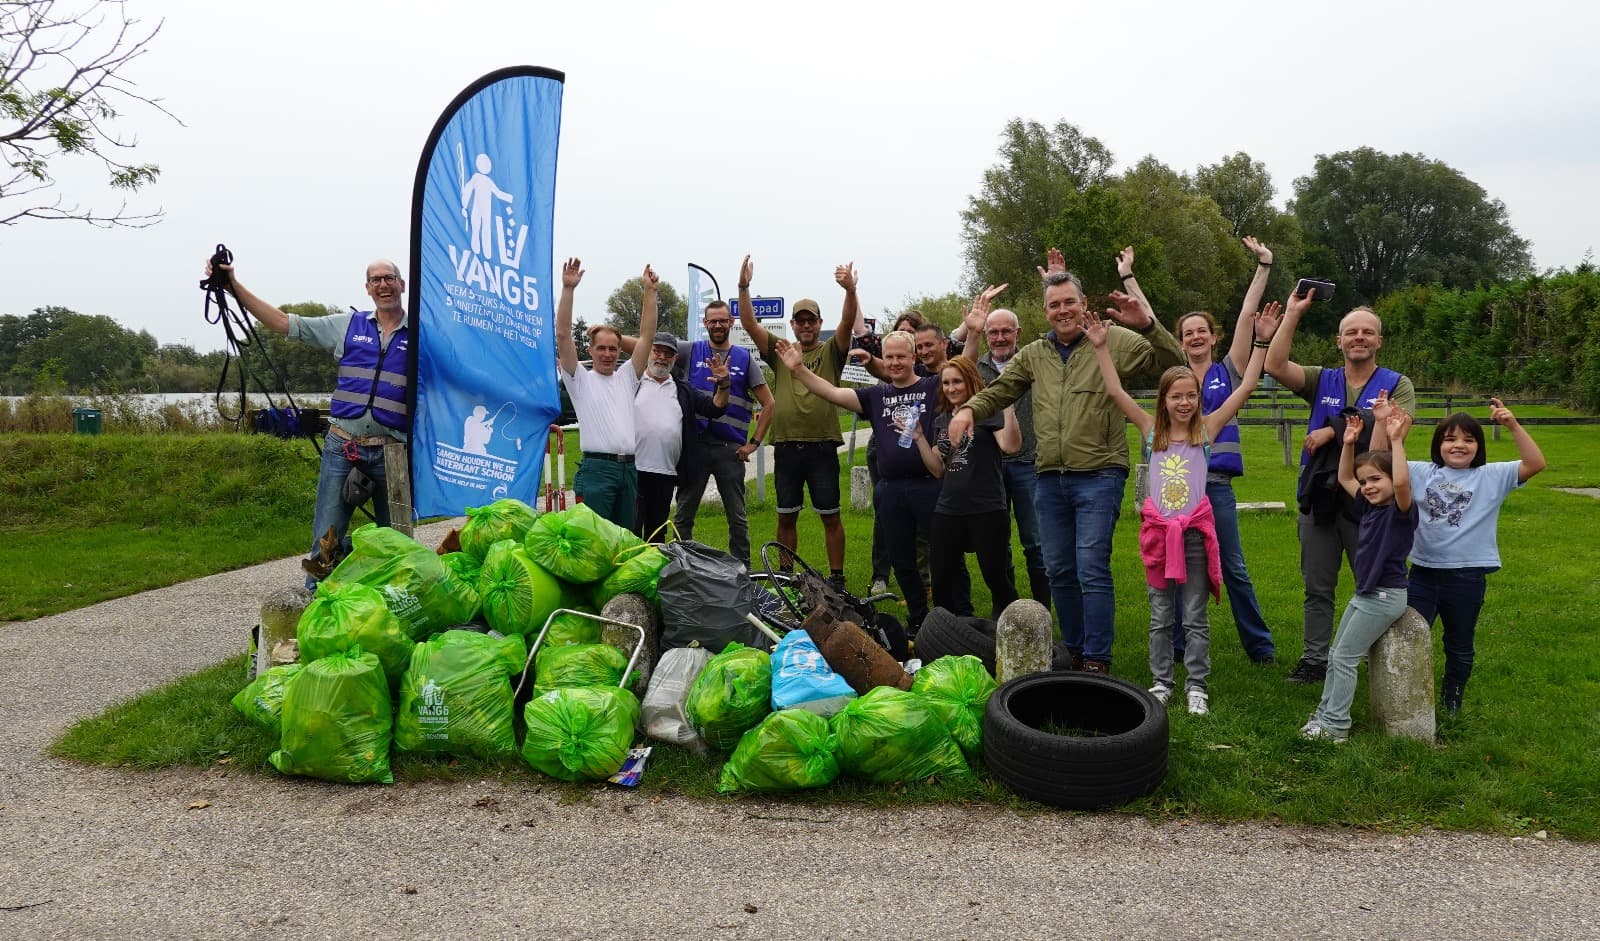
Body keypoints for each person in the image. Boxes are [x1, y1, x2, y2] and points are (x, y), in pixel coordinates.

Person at [948, 248, 1183, 674]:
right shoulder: (1035, 354)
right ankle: (1072, 651)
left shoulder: (1113, 339)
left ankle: (1096, 659)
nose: (1062, 310)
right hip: (1049, 477)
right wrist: (967, 409)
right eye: (1054, 304)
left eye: (1069, 302)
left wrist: (1148, 326)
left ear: (1083, 303)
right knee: (1058, 569)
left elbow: (1174, 365)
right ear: (1045, 311)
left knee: (1091, 568)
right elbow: (1001, 390)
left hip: (1099, 473)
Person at [1087, 302, 1277, 715]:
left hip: (1193, 537)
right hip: (1159, 538)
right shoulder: (1150, 430)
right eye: (1177, 396)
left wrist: (1262, 341)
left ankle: (1196, 685)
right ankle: (1161, 681)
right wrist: (1101, 347)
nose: (1185, 402)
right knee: (1160, 616)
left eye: (1191, 395)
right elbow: (1116, 391)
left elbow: (1246, 386)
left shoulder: (1206, 430)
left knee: (1194, 616)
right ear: (1164, 400)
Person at [207, 256, 410, 588]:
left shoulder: (421, 333)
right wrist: (232, 286)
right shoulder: (348, 325)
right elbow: (284, 323)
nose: (383, 285)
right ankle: (314, 602)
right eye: (375, 280)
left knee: (398, 545)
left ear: (401, 284)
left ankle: (397, 605)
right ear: (367, 288)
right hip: (343, 447)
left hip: (393, 454)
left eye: (389, 278)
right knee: (326, 541)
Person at [1266, 290, 1415, 683]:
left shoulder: (1398, 384)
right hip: (1319, 495)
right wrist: (1293, 314)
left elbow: (1389, 440)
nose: (1359, 337)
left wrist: (1332, 431)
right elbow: (1275, 365)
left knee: (1374, 584)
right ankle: (1314, 660)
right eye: (1351, 332)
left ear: (1379, 340)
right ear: (1339, 341)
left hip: (1368, 499)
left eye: (1367, 332)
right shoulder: (1323, 379)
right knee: (1317, 586)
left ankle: (1370, 657)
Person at [1373, 396, 1546, 714]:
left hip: (1467, 576)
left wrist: (1512, 425)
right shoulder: (1421, 472)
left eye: (1468, 439)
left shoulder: (1492, 476)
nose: (1459, 445)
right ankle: (1408, 692)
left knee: (1459, 643)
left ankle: (1452, 697)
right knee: (1407, 633)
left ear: (1479, 446)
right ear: (1438, 444)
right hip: (1423, 573)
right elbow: (1378, 462)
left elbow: (1535, 464)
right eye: (1450, 439)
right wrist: (1384, 423)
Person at [777, 330, 939, 631]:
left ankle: (949, 614)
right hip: (890, 489)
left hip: (928, 484)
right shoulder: (876, 396)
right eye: (889, 357)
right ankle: (919, 618)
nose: (895, 362)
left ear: (913, 358)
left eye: (901, 356)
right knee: (901, 558)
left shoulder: (931, 386)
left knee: (942, 553)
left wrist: (973, 332)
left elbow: (965, 369)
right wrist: (798, 369)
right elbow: (830, 392)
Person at [1169, 236, 1281, 664]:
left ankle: (1260, 647)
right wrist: (1129, 277)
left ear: (1213, 337)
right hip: (1180, 486)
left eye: (1202, 330)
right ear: (1181, 342)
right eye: (1188, 333)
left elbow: (1248, 315)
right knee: (1177, 566)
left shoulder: (1229, 370)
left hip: (1216, 485)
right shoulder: (1175, 379)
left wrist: (1263, 266)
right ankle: (1177, 645)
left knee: (1233, 567)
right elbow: (1150, 323)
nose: (1195, 336)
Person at [619, 300, 775, 567]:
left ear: (731, 322)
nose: (718, 325)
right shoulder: (690, 350)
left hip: (730, 449)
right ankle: (682, 567)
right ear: (705, 323)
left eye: (723, 320)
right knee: (683, 515)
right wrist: (613, 337)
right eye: (713, 321)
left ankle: (743, 570)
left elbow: (769, 403)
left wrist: (754, 443)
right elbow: (647, 347)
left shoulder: (744, 358)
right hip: (696, 447)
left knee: (737, 516)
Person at [737, 255, 856, 589]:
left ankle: (836, 578)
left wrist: (850, 291)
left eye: (811, 321)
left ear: (819, 323)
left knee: (830, 516)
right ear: (792, 324)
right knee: (786, 515)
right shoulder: (780, 350)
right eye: (800, 321)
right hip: (787, 446)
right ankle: (786, 575)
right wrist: (743, 286)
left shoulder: (831, 351)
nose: (806, 326)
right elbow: (749, 324)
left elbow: (847, 324)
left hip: (822, 446)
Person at [1300, 410, 1416, 742]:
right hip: (1367, 593)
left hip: (1385, 595)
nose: (1368, 487)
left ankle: (1336, 725)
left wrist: (1396, 440)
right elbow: (1345, 478)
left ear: (1392, 480)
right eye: (1365, 482)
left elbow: (1402, 482)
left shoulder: (1400, 511)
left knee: (1345, 657)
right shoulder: (1369, 507)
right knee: (1336, 655)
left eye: (1376, 479)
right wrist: (1348, 444)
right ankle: (1324, 714)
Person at [912, 355, 1021, 618]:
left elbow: (1010, 446)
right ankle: (946, 631)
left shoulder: (988, 413)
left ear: (970, 381)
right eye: (946, 383)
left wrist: (1007, 406)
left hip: (986, 507)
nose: (951, 388)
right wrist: (919, 438)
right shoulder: (943, 419)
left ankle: (1014, 627)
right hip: (949, 508)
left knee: (996, 577)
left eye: (957, 381)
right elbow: (938, 469)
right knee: (941, 578)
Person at [555, 258, 658, 530]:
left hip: (629, 470)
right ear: (590, 350)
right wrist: (568, 289)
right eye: (601, 348)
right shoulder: (579, 379)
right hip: (597, 471)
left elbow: (647, 337)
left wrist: (649, 292)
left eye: (613, 349)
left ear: (619, 351)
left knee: (626, 540)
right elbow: (563, 335)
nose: (607, 354)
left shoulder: (627, 377)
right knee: (596, 540)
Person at [960, 303, 1050, 609]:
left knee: (1036, 542)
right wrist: (972, 330)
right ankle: (1006, 608)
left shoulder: (1034, 362)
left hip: (1030, 463)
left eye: (1006, 332)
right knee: (997, 543)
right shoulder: (978, 368)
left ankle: (1041, 609)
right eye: (993, 332)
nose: (1000, 338)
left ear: (1018, 333)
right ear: (986, 335)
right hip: (990, 467)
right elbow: (959, 370)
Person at [632, 332, 729, 542]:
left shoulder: (682, 389)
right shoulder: (633, 383)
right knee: (631, 531)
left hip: (666, 474)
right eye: (657, 351)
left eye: (668, 354)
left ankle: (654, 564)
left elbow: (715, 408)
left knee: (657, 534)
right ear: (648, 352)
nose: (662, 357)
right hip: (633, 471)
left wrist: (724, 385)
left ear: (675, 358)